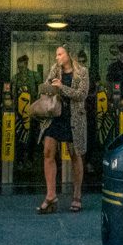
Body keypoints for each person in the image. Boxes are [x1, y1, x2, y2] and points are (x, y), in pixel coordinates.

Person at [36, 43, 89, 215]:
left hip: (73, 117)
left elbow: (82, 95)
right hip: (55, 116)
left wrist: (62, 88)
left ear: (69, 55)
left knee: (75, 155)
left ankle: (77, 195)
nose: (57, 57)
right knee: (48, 151)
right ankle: (51, 195)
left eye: (60, 54)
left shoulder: (82, 72)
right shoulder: (54, 70)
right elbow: (45, 87)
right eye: (56, 54)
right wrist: (50, 86)